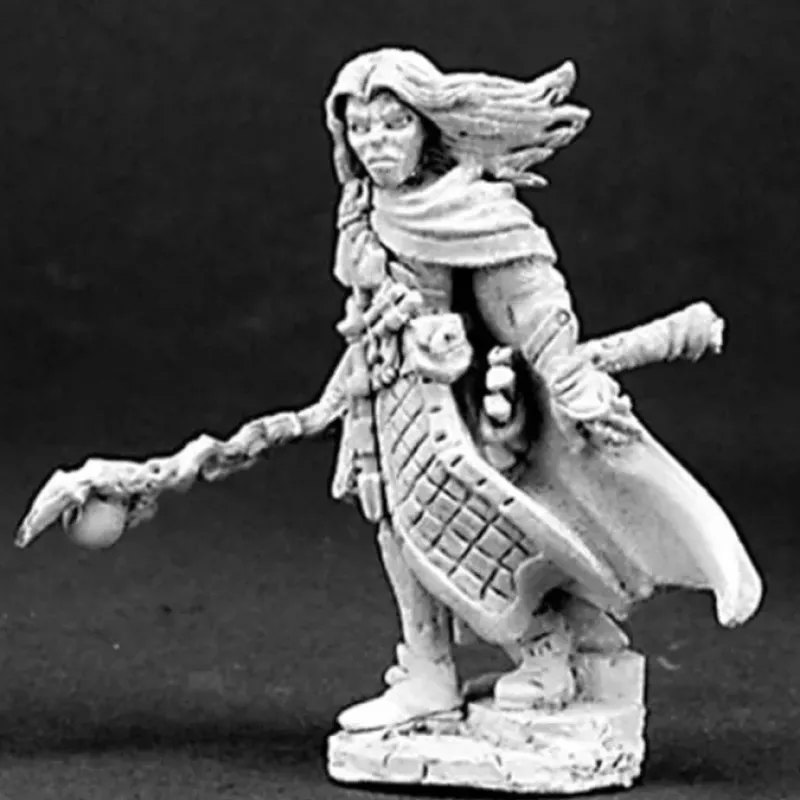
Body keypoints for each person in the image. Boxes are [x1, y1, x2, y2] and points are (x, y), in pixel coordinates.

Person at [322, 47, 637, 732]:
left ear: (428, 126)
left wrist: (567, 374)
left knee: (465, 523)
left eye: (394, 124)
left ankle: (546, 651)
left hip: (451, 400)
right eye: (360, 127)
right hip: (383, 392)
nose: (375, 142)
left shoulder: (470, 207)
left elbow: (527, 298)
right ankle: (429, 670)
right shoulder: (364, 206)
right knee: (393, 528)